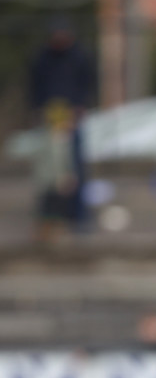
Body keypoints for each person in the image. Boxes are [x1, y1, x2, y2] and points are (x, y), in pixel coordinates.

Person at [30, 16, 94, 237]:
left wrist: (80, 107)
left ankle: (76, 215)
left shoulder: (78, 56)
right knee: (49, 170)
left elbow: (86, 81)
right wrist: (38, 109)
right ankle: (48, 217)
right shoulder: (43, 58)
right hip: (50, 117)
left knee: (73, 168)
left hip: (71, 116)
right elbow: (36, 84)